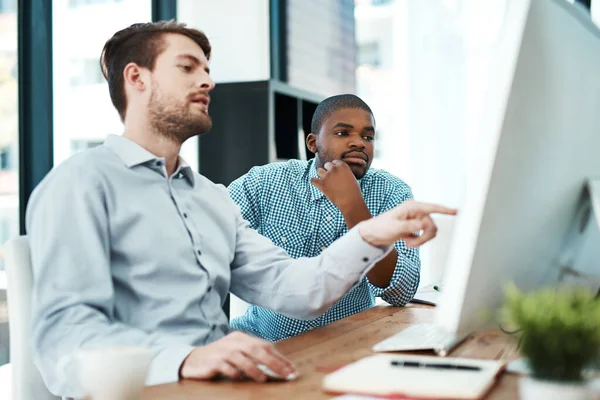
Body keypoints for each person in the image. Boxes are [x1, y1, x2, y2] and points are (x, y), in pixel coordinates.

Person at [25, 21, 456, 398]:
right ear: (136, 78)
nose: (208, 81)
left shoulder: (211, 199)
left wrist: (372, 233)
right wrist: (185, 360)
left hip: (228, 384)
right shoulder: (80, 183)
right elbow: (65, 344)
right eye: (188, 67)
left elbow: (295, 289)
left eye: (208, 70)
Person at [228, 94, 422, 341]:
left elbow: (401, 292)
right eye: (343, 133)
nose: (359, 143)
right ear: (312, 143)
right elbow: (207, 237)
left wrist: (353, 206)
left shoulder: (392, 192)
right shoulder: (264, 183)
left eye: (367, 136)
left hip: (351, 344)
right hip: (265, 343)